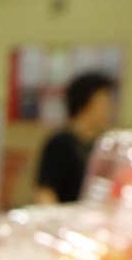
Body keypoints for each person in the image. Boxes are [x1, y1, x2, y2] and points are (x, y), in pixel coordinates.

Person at [35, 71, 116, 205]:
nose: (109, 108)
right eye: (104, 101)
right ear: (86, 102)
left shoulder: (104, 144)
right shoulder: (60, 143)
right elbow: (45, 192)